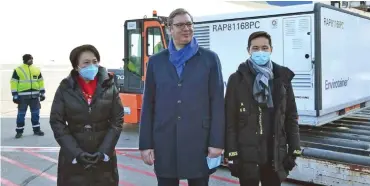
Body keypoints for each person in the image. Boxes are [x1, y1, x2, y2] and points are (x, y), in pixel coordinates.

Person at [138, 8, 225, 186]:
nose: (186, 28)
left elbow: (217, 102)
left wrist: (217, 142)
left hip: (199, 140)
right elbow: (149, 105)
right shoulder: (156, 61)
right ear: (170, 29)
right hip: (165, 140)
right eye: (180, 25)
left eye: (189, 24)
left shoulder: (209, 59)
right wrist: (146, 144)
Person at [224, 31, 301, 186]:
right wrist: (231, 153)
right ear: (249, 51)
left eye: (264, 48)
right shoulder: (237, 79)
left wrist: (295, 148)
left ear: (271, 49)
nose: (260, 52)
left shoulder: (282, 77)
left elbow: (291, 116)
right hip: (247, 153)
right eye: (255, 48)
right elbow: (229, 119)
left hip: (274, 153)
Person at [49, 44, 124, 186]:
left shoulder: (109, 86)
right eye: (86, 62)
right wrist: (76, 153)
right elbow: (56, 122)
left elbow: (117, 120)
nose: (92, 66)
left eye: (95, 61)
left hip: (103, 158)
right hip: (73, 158)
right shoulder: (65, 88)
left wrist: (104, 151)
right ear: (76, 67)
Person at [10, 54, 46, 138]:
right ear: (25, 60)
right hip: (22, 97)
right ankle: (19, 131)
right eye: (30, 59)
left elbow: (40, 81)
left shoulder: (36, 69)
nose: (32, 60)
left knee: (35, 114)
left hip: (35, 96)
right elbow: (13, 82)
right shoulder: (18, 70)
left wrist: (42, 93)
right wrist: (15, 95)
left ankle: (36, 130)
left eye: (32, 59)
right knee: (21, 114)